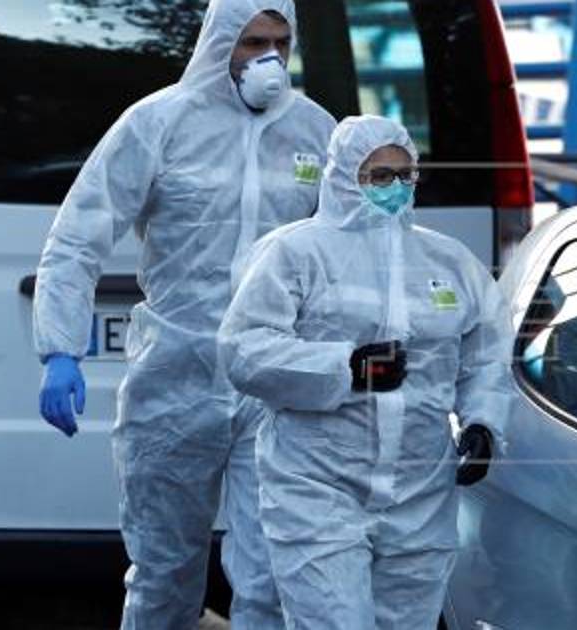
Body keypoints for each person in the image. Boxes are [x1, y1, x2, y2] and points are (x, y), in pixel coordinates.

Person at [32, 1, 336, 628]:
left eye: (281, 41)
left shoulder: (316, 132)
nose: (269, 57)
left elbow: (351, 251)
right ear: (220, 41)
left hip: (274, 385)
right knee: (165, 575)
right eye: (252, 41)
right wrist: (60, 347)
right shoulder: (158, 123)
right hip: (175, 378)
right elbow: (78, 237)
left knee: (273, 575)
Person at [218, 115, 513, 629]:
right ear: (343, 177)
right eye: (379, 176)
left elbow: (487, 354)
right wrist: (346, 368)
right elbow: (244, 349)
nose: (394, 188)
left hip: (420, 492)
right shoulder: (295, 252)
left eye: (404, 175)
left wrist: (483, 423)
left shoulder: (449, 261)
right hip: (317, 485)